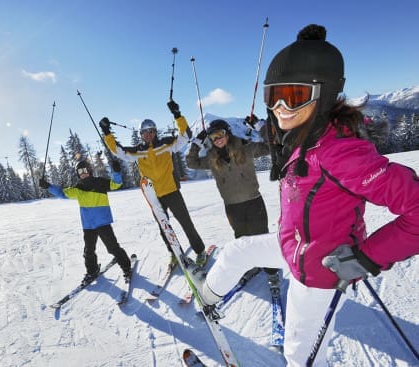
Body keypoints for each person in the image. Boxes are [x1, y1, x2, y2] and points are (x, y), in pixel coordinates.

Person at [189, 24, 419, 366]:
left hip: (320, 273)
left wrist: (367, 258)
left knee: (300, 355)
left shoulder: (340, 152)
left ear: (323, 94)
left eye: (294, 95)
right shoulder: (304, 137)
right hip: (293, 247)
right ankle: (206, 298)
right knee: (237, 251)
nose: (281, 106)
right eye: (273, 96)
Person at [99, 100, 207, 266]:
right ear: (141, 134)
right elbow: (117, 150)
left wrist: (177, 114)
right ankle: (174, 253)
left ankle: (200, 251)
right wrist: (106, 132)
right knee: (164, 228)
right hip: (154, 197)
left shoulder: (166, 145)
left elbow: (185, 135)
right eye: (144, 132)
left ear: (155, 132)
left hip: (172, 192)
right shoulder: (137, 152)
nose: (148, 134)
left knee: (186, 223)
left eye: (150, 131)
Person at [186, 118, 280, 288]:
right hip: (232, 207)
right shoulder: (211, 158)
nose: (218, 139)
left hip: (253, 202)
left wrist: (260, 126)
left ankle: (272, 274)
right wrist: (197, 142)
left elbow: (271, 146)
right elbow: (191, 162)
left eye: (220, 134)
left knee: (262, 239)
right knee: (241, 240)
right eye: (213, 137)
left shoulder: (246, 148)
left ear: (227, 133)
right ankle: (250, 266)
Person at [39, 159, 133, 285]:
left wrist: (116, 171)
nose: (83, 173)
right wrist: (48, 186)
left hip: (103, 222)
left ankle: (126, 268)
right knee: (89, 251)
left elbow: (116, 184)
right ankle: (92, 271)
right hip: (88, 225)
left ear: (89, 170)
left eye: (84, 170)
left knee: (112, 248)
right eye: (80, 171)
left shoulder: (100, 183)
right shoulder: (79, 188)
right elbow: (62, 193)